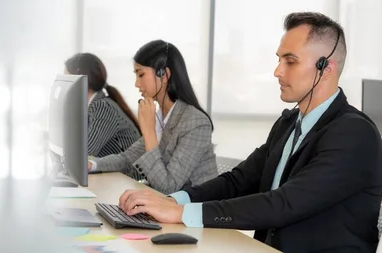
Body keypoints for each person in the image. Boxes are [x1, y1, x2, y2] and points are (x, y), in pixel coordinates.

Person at [118, 12, 382, 252]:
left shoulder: (354, 134)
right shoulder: (289, 124)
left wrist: (183, 213)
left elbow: (284, 204)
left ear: (326, 69)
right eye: (279, 60)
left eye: (290, 61)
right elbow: (238, 181)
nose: (277, 71)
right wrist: (171, 200)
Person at [87, 40, 217, 194]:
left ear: (164, 74)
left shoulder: (195, 123)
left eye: (141, 74)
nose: (137, 83)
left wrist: (148, 131)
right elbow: (127, 159)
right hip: (164, 206)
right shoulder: (161, 116)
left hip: (190, 212)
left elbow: (168, 186)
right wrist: (92, 165)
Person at [65, 53, 141, 158]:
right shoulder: (92, 107)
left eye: (67, 80)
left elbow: (84, 153)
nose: (65, 87)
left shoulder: (102, 107)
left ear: (81, 81)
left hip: (126, 174)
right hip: (112, 173)